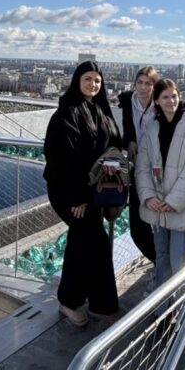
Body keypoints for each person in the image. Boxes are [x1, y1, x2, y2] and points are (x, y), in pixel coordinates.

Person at [43, 61, 123, 327]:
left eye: (97, 80)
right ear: (77, 81)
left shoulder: (99, 109)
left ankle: (71, 300)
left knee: (81, 242)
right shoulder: (67, 113)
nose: (93, 84)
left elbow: (112, 143)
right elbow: (62, 159)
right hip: (71, 193)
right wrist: (78, 197)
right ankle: (101, 305)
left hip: (94, 191)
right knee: (97, 242)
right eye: (87, 79)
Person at [135, 78, 185, 338]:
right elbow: (143, 166)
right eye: (165, 96)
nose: (171, 101)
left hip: (184, 210)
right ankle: (164, 313)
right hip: (160, 210)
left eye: (175, 95)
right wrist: (148, 197)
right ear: (157, 100)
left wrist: (173, 200)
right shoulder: (153, 127)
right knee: (163, 264)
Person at [117, 66, 159, 264]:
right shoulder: (127, 101)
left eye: (148, 83)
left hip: (160, 171)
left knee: (161, 225)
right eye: (140, 83)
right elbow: (127, 131)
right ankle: (160, 263)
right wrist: (129, 142)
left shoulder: (161, 104)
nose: (143, 88)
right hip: (138, 169)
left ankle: (164, 271)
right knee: (137, 229)